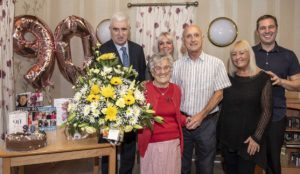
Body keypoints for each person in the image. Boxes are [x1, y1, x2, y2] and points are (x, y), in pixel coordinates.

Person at [171, 24, 231, 174]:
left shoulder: (216, 63)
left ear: (202, 38)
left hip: (207, 123)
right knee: (181, 164)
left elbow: (219, 94)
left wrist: (201, 115)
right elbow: (172, 94)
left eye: (196, 35)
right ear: (184, 41)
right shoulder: (176, 66)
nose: (193, 39)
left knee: (205, 165)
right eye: (188, 36)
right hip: (182, 122)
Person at [98, 11, 146, 174]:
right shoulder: (102, 51)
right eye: (116, 29)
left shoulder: (138, 50)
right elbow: (96, 83)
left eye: (124, 29)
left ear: (129, 29)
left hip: (131, 111)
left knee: (128, 152)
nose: (120, 33)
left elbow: (142, 79)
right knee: (108, 151)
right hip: (109, 114)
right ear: (110, 30)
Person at [253, 14, 300, 174]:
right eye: (263, 28)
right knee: (249, 160)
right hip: (251, 116)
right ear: (257, 31)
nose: (267, 31)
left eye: (270, 27)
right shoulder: (248, 53)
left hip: (276, 116)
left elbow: (298, 84)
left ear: (276, 29)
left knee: (273, 160)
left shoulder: (289, 55)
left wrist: (281, 81)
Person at [218, 40, 272, 174]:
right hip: (227, 138)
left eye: (242, 53)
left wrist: (256, 137)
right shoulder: (228, 77)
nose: (238, 57)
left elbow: (267, 111)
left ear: (250, 55)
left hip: (249, 140)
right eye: (234, 54)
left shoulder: (263, 78)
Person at [138, 52, 187, 174]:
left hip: (172, 143)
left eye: (166, 67)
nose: (162, 71)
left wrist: (187, 120)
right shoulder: (144, 89)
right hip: (151, 143)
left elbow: (176, 115)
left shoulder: (176, 89)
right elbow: (136, 116)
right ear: (152, 71)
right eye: (158, 68)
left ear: (170, 70)